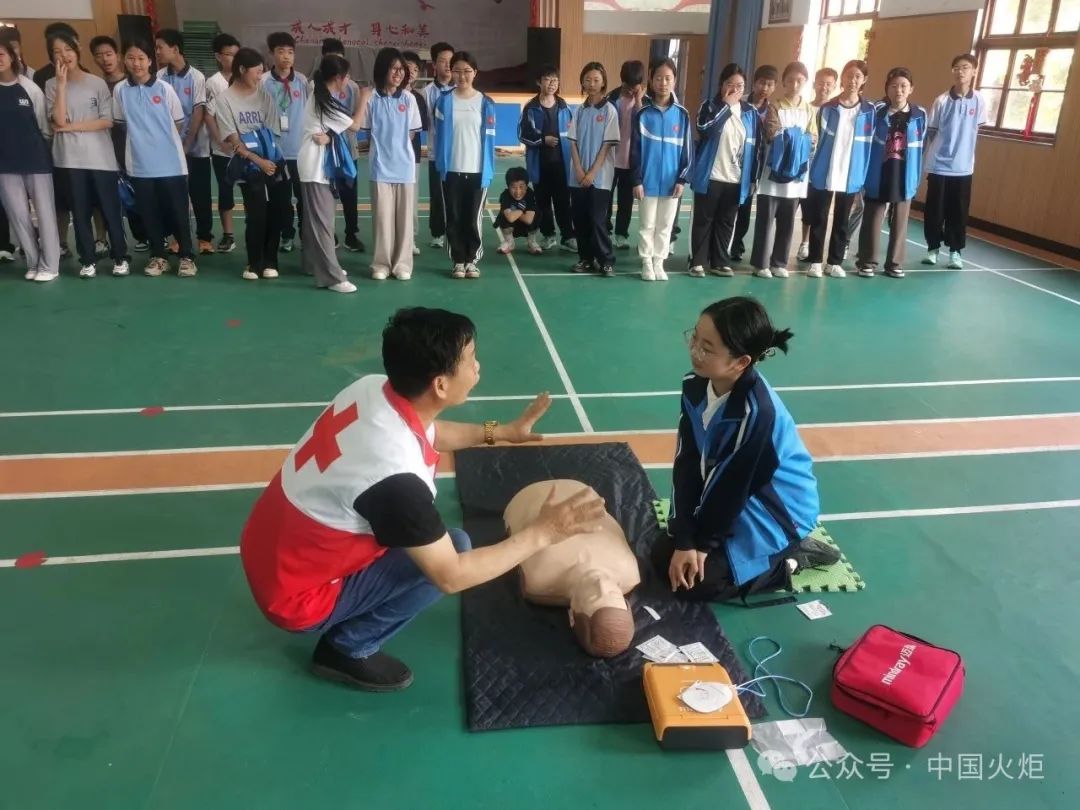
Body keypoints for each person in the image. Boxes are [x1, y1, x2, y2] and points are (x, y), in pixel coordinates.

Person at [239, 306, 607, 691]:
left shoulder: (371, 389)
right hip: (297, 595)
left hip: (267, 548)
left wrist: (503, 432)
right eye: (470, 359)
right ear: (440, 385)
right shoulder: (396, 481)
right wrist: (544, 533)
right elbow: (451, 576)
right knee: (454, 550)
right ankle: (347, 649)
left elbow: (429, 431)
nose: (478, 367)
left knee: (437, 545)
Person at [653, 297, 836, 602]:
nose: (694, 349)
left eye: (707, 348)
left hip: (774, 509)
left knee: (697, 583)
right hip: (735, 497)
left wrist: (700, 545)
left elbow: (731, 488)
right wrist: (684, 535)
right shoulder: (694, 385)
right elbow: (687, 460)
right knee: (662, 555)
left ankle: (790, 559)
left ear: (740, 362)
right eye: (695, 337)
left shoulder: (756, 413)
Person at [45, 32, 130, 278]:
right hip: (68, 160)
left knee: (109, 210)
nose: (64, 56)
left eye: (68, 50)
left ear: (77, 50)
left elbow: (106, 121)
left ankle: (120, 256)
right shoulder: (51, 86)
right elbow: (57, 119)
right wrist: (61, 87)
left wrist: (69, 127)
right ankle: (88, 259)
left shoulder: (97, 83)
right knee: (79, 211)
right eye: (57, 52)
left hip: (101, 158)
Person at [112, 39, 197, 277]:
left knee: (178, 211)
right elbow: (119, 124)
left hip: (172, 164)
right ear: (124, 60)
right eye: (131, 58)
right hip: (139, 165)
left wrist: (161, 143)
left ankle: (186, 257)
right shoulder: (120, 90)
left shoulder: (164, 89)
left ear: (150, 61)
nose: (136, 63)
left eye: (141, 58)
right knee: (149, 212)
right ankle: (158, 256)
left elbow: (178, 122)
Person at [214, 47, 289, 281]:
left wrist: (270, 161)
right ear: (242, 69)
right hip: (249, 165)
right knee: (256, 213)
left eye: (262, 72)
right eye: (257, 72)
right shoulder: (224, 100)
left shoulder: (264, 95)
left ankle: (271, 261)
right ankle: (254, 263)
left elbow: (270, 131)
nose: (260, 76)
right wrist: (259, 161)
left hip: (273, 159)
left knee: (277, 211)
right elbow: (234, 140)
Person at [687, 63, 761, 279]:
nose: (736, 89)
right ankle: (697, 261)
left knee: (727, 221)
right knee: (704, 220)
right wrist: (726, 106)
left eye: (740, 86)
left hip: (737, 177)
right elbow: (705, 129)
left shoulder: (751, 113)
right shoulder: (709, 106)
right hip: (711, 175)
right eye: (731, 84)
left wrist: (753, 177)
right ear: (722, 85)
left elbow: (756, 147)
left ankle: (720, 261)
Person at [298, 53, 364, 292]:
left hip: (315, 164)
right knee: (323, 222)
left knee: (314, 220)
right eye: (347, 77)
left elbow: (331, 128)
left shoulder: (322, 95)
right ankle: (331, 277)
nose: (348, 81)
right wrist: (364, 98)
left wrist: (330, 135)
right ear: (339, 77)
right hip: (315, 166)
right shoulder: (323, 99)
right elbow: (355, 126)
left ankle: (313, 264)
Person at [804, 59, 875, 279]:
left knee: (842, 218)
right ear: (842, 78)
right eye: (849, 75)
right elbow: (815, 140)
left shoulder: (869, 111)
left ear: (864, 80)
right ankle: (815, 260)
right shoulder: (827, 108)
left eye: (857, 77)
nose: (852, 80)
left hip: (850, 173)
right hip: (825, 171)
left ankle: (834, 262)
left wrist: (863, 173)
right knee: (819, 216)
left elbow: (870, 145)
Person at [356, 47, 423, 281]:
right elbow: (365, 131)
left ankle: (402, 264)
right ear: (382, 70)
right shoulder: (371, 98)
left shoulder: (409, 99)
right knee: (383, 219)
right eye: (394, 68)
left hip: (404, 167)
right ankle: (381, 264)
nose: (398, 73)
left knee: (404, 220)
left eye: (401, 69)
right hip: (380, 168)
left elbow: (412, 133)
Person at [856, 68, 927, 279]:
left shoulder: (919, 114)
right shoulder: (876, 111)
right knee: (873, 217)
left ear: (911, 89)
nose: (899, 90)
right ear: (886, 89)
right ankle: (867, 261)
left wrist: (915, 176)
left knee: (900, 220)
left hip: (904, 172)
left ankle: (894, 263)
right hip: (878, 171)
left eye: (904, 86)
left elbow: (921, 145)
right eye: (894, 85)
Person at [432, 50, 496, 279]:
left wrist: (488, 169)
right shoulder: (444, 101)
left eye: (466, 71)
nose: (461, 76)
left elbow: (489, 139)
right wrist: (441, 164)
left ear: (475, 73)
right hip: (451, 170)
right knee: (455, 216)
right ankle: (458, 260)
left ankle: (472, 259)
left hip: (478, 170)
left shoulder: (486, 103)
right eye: (456, 71)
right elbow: (438, 137)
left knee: (473, 217)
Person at [0, 38, 59, 282]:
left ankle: (50, 264)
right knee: (18, 216)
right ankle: (34, 263)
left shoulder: (29, 88)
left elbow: (45, 128)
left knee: (44, 214)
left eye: (1, 53)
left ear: (12, 56)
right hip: (4, 165)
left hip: (36, 161)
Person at [751, 61, 817, 279]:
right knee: (765, 220)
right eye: (790, 80)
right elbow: (772, 133)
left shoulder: (809, 110)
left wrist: (794, 137)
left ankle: (779, 261)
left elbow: (813, 138)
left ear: (805, 83)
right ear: (784, 83)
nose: (795, 84)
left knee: (788, 221)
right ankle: (761, 263)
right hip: (773, 172)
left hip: (797, 175)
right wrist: (796, 137)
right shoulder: (775, 106)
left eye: (800, 80)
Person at [922, 53, 987, 270]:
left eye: (965, 68)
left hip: (963, 169)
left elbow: (977, 128)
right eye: (956, 68)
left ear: (974, 71)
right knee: (934, 211)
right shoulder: (941, 101)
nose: (960, 72)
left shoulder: (979, 100)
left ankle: (955, 252)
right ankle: (932, 249)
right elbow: (931, 133)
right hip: (939, 166)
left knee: (958, 213)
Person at [629, 57, 691, 282]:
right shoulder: (643, 114)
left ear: (674, 81)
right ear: (651, 80)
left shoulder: (682, 115)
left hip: (671, 182)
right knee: (647, 224)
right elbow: (634, 151)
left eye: (668, 78)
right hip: (647, 180)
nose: (663, 83)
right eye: (658, 78)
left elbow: (687, 152)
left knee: (665, 225)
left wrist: (681, 180)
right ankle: (646, 262)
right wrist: (636, 180)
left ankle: (659, 262)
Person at [155, 29, 214, 255]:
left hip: (195, 148)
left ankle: (205, 238)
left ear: (175, 49)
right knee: (174, 196)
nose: (157, 52)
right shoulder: (159, 77)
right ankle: (179, 238)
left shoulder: (197, 77)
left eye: (160, 47)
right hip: (168, 150)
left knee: (200, 194)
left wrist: (187, 144)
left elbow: (198, 111)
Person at [568, 61, 619, 277]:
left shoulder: (609, 110)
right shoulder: (579, 110)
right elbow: (572, 142)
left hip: (601, 178)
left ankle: (606, 260)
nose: (591, 83)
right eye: (587, 79)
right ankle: (585, 258)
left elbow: (607, 146)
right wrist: (579, 170)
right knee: (580, 219)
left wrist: (592, 173)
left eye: (596, 80)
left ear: (604, 82)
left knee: (598, 220)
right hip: (577, 177)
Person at [518, 64, 575, 252]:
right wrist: (543, 140)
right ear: (539, 82)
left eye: (555, 80)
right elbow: (522, 134)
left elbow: (574, 135)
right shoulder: (531, 108)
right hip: (539, 165)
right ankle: (548, 235)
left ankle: (568, 237)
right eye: (548, 79)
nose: (552, 83)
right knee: (543, 204)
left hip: (562, 165)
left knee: (563, 203)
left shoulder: (564, 107)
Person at [262, 32, 308, 253]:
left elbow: (309, 113)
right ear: (271, 54)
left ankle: (305, 234)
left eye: (290, 52)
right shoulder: (263, 82)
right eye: (281, 51)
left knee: (303, 197)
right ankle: (286, 235)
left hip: (300, 152)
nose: (286, 57)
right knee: (281, 199)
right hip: (276, 152)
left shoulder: (302, 81)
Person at [319, 38, 364, 253]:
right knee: (327, 197)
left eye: (340, 59)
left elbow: (357, 118)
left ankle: (351, 234)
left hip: (348, 150)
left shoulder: (352, 86)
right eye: (332, 59)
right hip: (325, 153)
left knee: (350, 196)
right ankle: (330, 234)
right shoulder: (315, 88)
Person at [730, 64, 777, 262]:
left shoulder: (773, 110)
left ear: (774, 87)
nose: (764, 88)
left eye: (769, 84)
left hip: (757, 167)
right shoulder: (740, 104)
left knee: (746, 207)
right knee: (731, 205)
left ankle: (737, 242)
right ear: (754, 83)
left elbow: (772, 137)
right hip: (736, 162)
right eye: (761, 83)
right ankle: (726, 241)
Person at [204, 33, 241, 253]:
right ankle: (228, 235)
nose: (234, 59)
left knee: (254, 192)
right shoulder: (213, 83)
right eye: (229, 55)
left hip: (247, 150)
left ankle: (258, 231)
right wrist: (221, 141)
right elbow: (209, 115)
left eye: (237, 54)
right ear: (218, 56)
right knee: (225, 192)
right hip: (223, 150)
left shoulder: (247, 77)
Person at [797, 67, 837, 260]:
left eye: (829, 84)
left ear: (835, 86)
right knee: (802, 208)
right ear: (814, 84)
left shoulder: (835, 112)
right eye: (821, 82)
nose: (824, 87)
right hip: (802, 168)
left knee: (818, 211)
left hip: (823, 171)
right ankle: (803, 243)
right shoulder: (805, 108)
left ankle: (814, 248)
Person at [605, 59, 645, 249]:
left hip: (632, 161)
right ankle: (605, 230)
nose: (630, 90)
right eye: (627, 86)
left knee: (625, 202)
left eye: (634, 87)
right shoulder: (611, 99)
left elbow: (645, 126)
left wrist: (638, 102)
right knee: (606, 199)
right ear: (622, 82)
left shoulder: (645, 103)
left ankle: (621, 234)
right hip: (611, 159)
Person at [424, 41, 455, 249]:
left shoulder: (461, 89)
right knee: (437, 194)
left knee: (456, 194)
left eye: (450, 61)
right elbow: (426, 123)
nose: (447, 65)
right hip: (437, 152)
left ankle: (455, 230)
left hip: (459, 154)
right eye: (442, 61)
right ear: (434, 65)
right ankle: (437, 233)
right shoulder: (427, 92)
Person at [401, 50, 429, 257]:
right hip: (388, 159)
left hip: (412, 157)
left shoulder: (418, 98)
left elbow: (420, 128)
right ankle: (394, 240)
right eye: (407, 67)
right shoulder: (385, 95)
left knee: (411, 199)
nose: (411, 72)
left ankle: (410, 238)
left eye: (415, 69)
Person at [493, 166, 541, 255]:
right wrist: (522, 210)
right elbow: (510, 218)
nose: (518, 191)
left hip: (526, 225)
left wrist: (515, 211)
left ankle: (531, 242)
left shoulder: (530, 195)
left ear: (527, 186)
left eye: (521, 187)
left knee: (537, 213)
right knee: (503, 216)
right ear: (508, 186)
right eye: (513, 187)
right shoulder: (505, 195)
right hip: (512, 225)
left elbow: (528, 220)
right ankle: (509, 242)